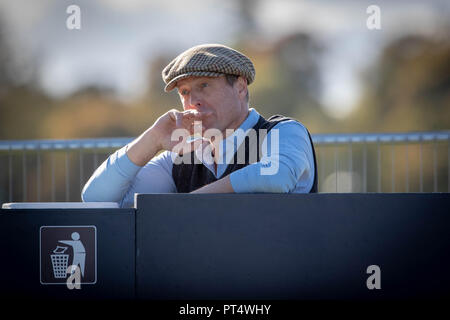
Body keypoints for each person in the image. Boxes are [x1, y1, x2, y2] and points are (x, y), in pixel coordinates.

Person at [82, 44, 318, 208]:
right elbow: (97, 198)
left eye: (204, 85)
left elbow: (277, 174)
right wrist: (152, 139)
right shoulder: (181, 158)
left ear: (240, 87)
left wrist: (190, 203)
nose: (193, 101)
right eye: (185, 92)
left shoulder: (283, 131)